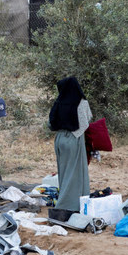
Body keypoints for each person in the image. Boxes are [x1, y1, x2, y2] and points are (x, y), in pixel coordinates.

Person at [48, 77, 92, 218]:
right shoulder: (81, 102)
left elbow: (51, 124)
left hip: (59, 139)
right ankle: (68, 205)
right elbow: (86, 122)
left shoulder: (58, 102)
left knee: (64, 172)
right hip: (74, 139)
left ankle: (65, 201)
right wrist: (76, 135)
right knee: (75, 173)